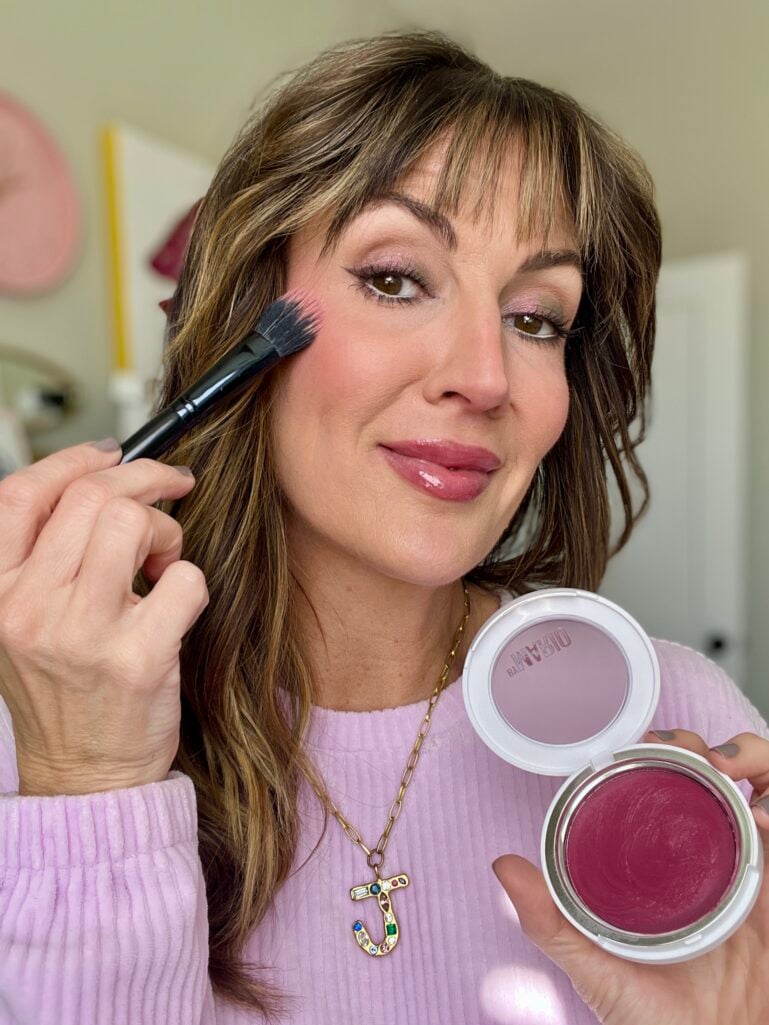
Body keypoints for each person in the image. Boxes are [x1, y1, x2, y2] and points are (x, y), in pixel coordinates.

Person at [1, 28, 768, 1025]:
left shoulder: (680, 727)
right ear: (248, 319)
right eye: (395, 278)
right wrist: (91, 789)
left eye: (537, 317)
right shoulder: (43, 738)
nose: (485, 376)